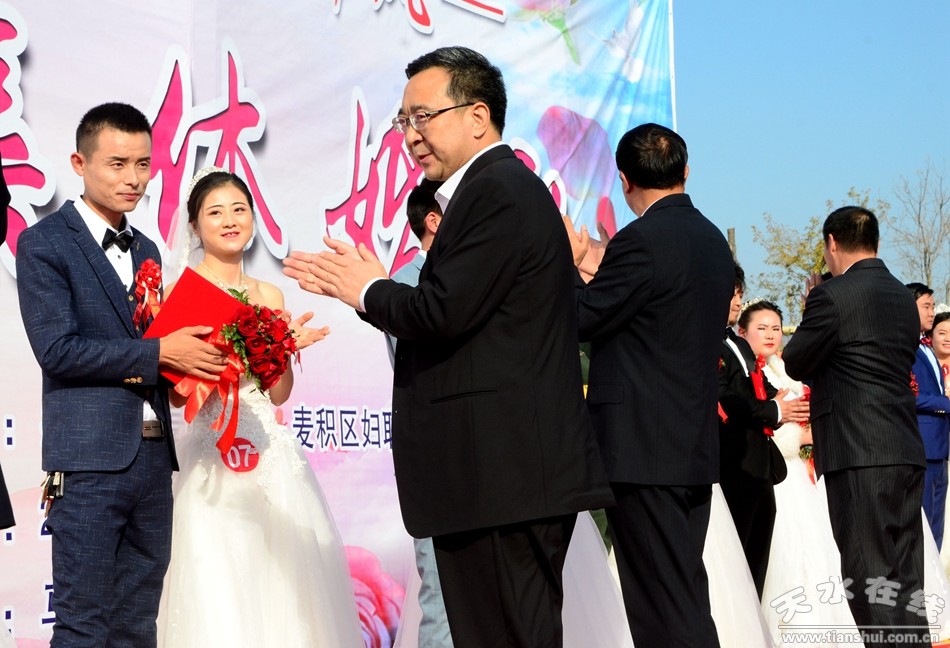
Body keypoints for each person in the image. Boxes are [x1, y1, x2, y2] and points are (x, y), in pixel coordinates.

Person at [284, 46, 613, 648]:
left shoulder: (496, 192)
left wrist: (369, 290)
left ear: (477, 116)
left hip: (504, 476)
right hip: (496, 475)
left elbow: (441, 311)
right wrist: (370, 292)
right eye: (403, 120)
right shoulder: (489, 193)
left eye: (423, 116)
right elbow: (463, 319)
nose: (411, 135)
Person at [15, 103, 226, 648]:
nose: (134, 178)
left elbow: (158, 343)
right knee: (82, 625)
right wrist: (158, 354)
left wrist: (197, 365)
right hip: (88, 464)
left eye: (143, 164)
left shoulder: (148, 248)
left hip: (153, 463)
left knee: (138, 625)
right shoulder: (44, 242)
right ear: (79, 163)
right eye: (117, 164)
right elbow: (57, 350)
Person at [156, 168, 362, 647]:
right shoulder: (182, 292)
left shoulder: (270, 295)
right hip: (213, 455)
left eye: (239, 209)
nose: (230, 220)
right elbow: (174, 395)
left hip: (269, 453)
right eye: (215, 212)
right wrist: (224, 359)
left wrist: (281, 349)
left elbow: (280, 393)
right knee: (217, 580)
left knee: (284, 587)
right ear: (195, 225)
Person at [564, 122, 735, 647]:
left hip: (643, 449)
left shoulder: (640, 240)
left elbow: (583, 317)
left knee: (661, 603)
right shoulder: (712, 240)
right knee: (681, 591)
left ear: (624, 180)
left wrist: (569, 264)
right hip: (690, 445)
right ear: (686, 171)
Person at [783, 206, 931, 646]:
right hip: (903, 446)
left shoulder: (831, 296)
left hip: (858, 449)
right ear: (875, 242)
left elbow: (796, 360)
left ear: (832, 242)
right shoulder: (902, 297)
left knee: (869, 577)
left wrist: (813, 304)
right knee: (906, 579)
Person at [385, 179, 452, 648]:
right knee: (442, 594)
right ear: (434, 220)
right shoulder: (406, 286)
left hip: (481, 451)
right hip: (436, 450)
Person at [719, 279, 808, 599]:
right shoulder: (712, 344)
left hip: (760, 467)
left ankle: (752, 612)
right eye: (731, 293)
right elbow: (729, 397)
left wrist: (782, 406)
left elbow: (767, 395)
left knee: (758, 552)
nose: (735, 301)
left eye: (739, 295)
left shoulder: (741, 348)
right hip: (734, 463)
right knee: (736, 553)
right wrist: (774, 409)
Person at [908, 282, 950, 549]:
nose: (932, 312)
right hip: (921, 447)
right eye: (926, 306)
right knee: (923, 523)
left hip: (940, 449)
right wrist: (945, 403)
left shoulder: (927, 348)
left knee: (937, 525)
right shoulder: (904, 347)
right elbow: (908, 394)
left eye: (933, 306)